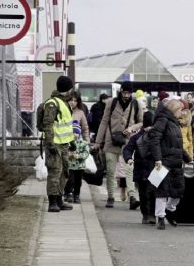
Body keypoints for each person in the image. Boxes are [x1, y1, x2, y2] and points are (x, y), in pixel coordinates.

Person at [95, 81, 143, 209]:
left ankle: (132, 196)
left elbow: (141, 122)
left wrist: (132, 128)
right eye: (124, 92)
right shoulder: (112, 102)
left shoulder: (135, 103)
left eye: (128, 93)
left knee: (129, 169)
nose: (126, 95)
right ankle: (110, 196)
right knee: (110, 170)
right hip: (111, 140)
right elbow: (104, 122)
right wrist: (98, 142)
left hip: (128, 141)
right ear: (121, 91)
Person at [148, 99, 191, 230]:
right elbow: (154, 140)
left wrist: (188, 158)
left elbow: (177, 145)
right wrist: (158, 159)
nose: (182, 113)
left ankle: (169, 210)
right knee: (162, 191)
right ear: (174, 110)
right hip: (164, 162)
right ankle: (160, 217)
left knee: (178, 191)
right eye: (180, 110)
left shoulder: (174, 123)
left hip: (176, 162)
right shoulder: (163, 121)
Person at [42, 76, 75, 212]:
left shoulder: (64, 103)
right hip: (54, 145)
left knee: (64, 172)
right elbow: (48, 124)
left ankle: (59, 199)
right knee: (55, 173)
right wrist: (50, 144)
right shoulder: (53, 103)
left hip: (64, 144)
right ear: (67, 89)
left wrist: (72, 142)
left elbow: (66, 126)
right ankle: (52, 202)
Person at [123, 111, 156, 224]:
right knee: (143, 193)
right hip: (140, 168)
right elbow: (127, 149)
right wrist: (129, 159)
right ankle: (145, 214)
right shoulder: (136, 137)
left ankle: (152, 214)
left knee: (152, 192)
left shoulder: (157, 136)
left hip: (153, 168)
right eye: (148, 127)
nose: (149, 129)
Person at [63, 90, 90, 203]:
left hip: (78, 144)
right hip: (66, 143)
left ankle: (76, 194)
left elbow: (85, 128)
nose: (73, 102)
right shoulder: (63, 110)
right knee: (69, 176)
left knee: (78, 178)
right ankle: (67, 192)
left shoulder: (80, 113)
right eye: (71, 100)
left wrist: (87, 141)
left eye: (75, 100)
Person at [64, 122, 91, 204]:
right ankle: (68, 193)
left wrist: (78, 156)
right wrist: (68, 154)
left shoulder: (83, 143)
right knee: (70, 180)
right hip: (70, 165)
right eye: (73, 132)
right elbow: (64, 151)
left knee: (78, 181)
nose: (74, 134)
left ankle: (76, 195)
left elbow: (86, 153)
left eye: (76, 132)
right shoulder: (68, 142)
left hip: (80, 166)